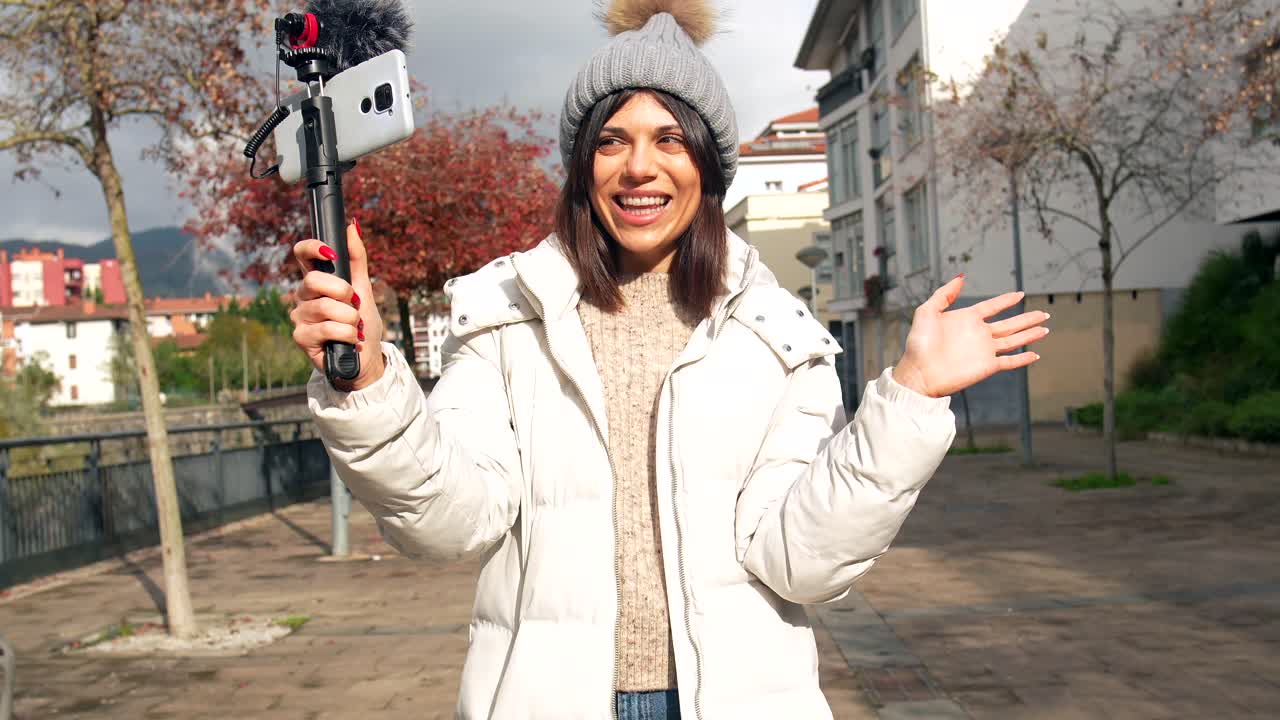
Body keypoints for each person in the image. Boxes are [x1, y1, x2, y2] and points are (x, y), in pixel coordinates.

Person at [289, 1, 1050, 718]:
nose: (639, 167)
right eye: (612, 140)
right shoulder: (505, 321)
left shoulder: (778, 337)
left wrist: (910, 399)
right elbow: (449, 526)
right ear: (584, 165)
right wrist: (372, 383)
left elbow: (802, 561)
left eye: (670, 139)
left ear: (709, 167)